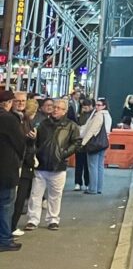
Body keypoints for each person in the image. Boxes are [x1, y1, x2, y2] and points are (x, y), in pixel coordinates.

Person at [26, 97, 81, 230]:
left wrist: (63, 154)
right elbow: (35, 141)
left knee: (55, 196)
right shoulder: (42, 124)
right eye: (54, 107)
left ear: (65, 111)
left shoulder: (71, 126)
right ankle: (33, 220)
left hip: (58, 165)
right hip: (41, 164)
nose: (55, 110)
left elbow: (77, 143)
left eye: (59, 108)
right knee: (35, 194)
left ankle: (53, 219)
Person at [0, 89, 26, 251]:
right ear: (9, 103)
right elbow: (20, 142)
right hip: (6, 169)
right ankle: (4, 239)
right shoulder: (9, 119)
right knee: (6, 205)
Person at [10, 92, 36, 235]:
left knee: (20, 199)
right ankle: (7, 229)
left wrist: (32, 139)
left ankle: (12, 226)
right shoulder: (8, 118)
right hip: (12, 164)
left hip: (26, 163)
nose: (20, 103)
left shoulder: (27, 119)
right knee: (10, 200)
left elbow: (31, 144)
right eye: (17, 101)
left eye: (23, 101)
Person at [80, 97, 112, 194]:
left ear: (104, 106)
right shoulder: (108, 116)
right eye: (96, 105)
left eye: (99, 105)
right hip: (103, 143)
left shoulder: (98, 116)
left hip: (94, 143)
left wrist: (83, 142)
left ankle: (92, 188)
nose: (96, 107)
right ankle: (99, 188)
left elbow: (92, 131)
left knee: (92, 166)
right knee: (100, 166)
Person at [73, 96, 93, 191]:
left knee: (84, 164)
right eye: (83, 107)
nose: (84, 109)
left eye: (86, 107)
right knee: (81, 164)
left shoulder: (91, 116)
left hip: (85, 142)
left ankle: (83, 183)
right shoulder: (80, 115)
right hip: (81, 142)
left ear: (90, 106)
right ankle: (81, 183)